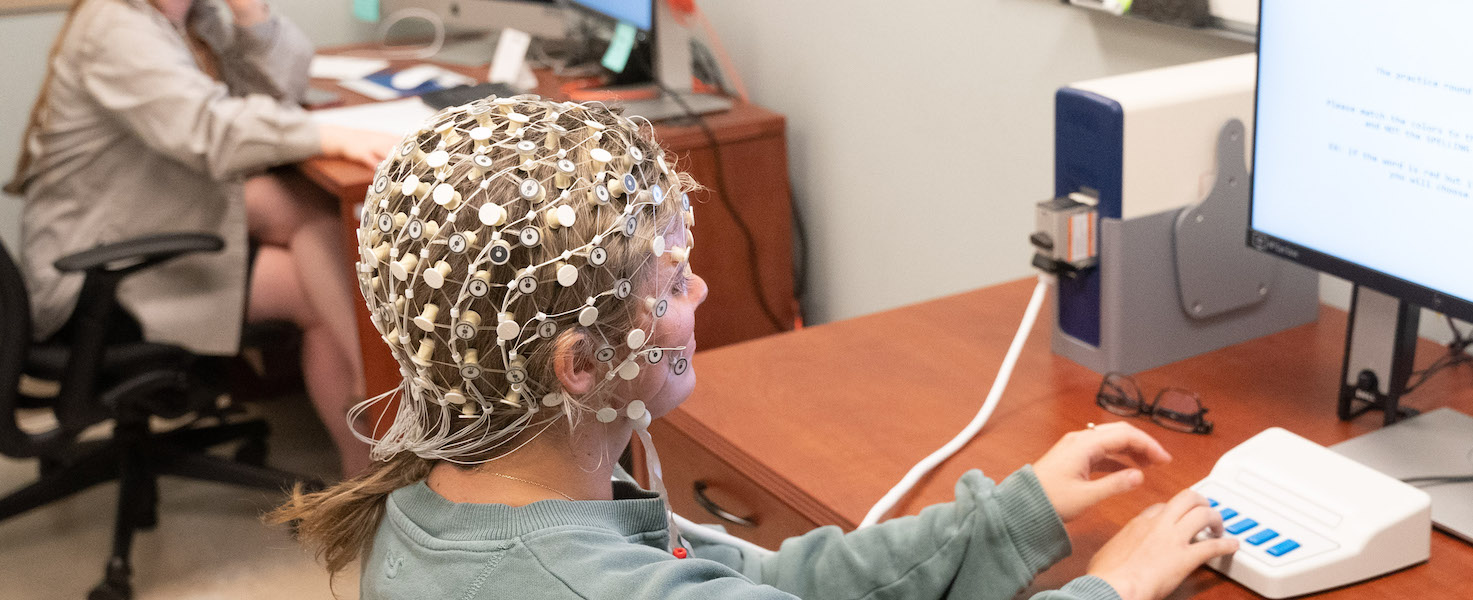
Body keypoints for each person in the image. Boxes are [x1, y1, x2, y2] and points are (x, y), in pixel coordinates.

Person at [271, 96, 1239, 600]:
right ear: (580, 364)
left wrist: (1007, 520)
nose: (697, 297)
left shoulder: (442, 492)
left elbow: (767, 584)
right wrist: (1117, 582)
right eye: (670, 283)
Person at [6, 0, 401, 475]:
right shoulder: (113, 27)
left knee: (308, 212)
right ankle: (374, 448)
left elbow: (278, 94)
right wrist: (325, 134)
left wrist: (252, 13)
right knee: (314, 286)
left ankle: (374, 399)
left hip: (147, 216)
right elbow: (211, 131)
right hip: (97, 271)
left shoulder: (192, 18)